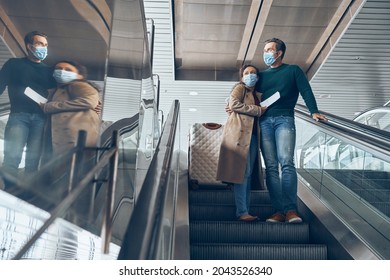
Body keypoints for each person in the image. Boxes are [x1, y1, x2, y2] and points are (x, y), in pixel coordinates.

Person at [257, 38, 327, 223]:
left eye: (269, 50)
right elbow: (247, 94)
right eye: (264, 50)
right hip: (263, 122)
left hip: (284, 119)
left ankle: (290, 211)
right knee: (271, 167)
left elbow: (306, 90)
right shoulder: (261, 76)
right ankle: (278, 211)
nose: (266, 53)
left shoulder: (293, 70)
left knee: (286, 162)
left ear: (279, 53)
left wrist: (314, 111)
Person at [0, 31, 56, 181]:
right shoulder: (14, 64)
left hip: (40, 119)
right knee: (12, 158)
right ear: (29, 46)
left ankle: (27, 196)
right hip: (18, 116)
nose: (44, 48)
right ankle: (8, 193)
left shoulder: (49, 71)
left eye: (45, 45)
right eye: (39, 44)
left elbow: (58, 94)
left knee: (33, 162)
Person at [217, 64, 267, 222]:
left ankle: (245, 211)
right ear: (242, 77)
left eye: (253, 73)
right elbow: (234, 105)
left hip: (251, 138)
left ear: (258, 78)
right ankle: (242, 212)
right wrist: (257, 110)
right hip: (239, 137)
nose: (250, 75)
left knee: (248, 174)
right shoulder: (240, 88)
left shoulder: (257, 94)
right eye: (246, 73)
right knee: (241, 175)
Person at [40, 60, 101, 158]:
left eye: (68, 70)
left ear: (79, 76)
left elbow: (89, 101)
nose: (62, 72)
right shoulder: (56, 91)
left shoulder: (78, 85)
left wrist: (51, 106)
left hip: (75, 140)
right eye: (58, 69)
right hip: (62, 141)